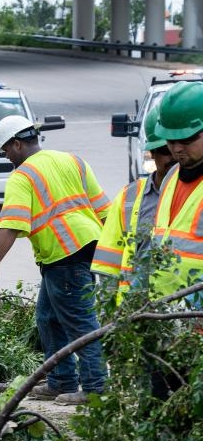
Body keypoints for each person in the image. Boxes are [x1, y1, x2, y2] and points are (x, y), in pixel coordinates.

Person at [0, 115, 111, 405]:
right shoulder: (72, 160)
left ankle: (96, 387)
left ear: (16, 144)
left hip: (66, 254)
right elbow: (104, 208)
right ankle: (61, 380)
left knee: (80, 322)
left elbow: (12, 225)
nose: (6, 158)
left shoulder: (22, 176)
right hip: (85, 247)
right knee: (48, 318)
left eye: (5, 151)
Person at [143, 80, 203, 398]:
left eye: (187, 139)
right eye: (171, 140)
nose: (177, 148)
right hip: (165, 325)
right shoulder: (170, 179)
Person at [91, 104, 178, 302]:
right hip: (135, 314)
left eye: (179, 146)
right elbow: (108, 263)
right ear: (152, 154)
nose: (174, 156)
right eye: (165, 150)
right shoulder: (129, 197)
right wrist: (109, 313)